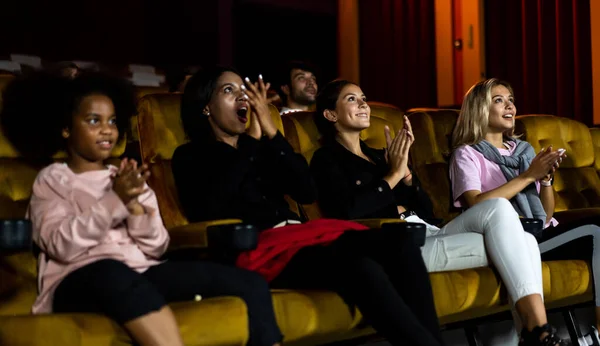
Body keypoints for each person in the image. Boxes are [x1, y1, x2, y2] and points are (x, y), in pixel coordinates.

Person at [0, 71, 282, 346]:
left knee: (249, 283)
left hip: (138, 273)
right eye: (93, 120)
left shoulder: (126, 177)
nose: (107, 129)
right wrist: (114, 202)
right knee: (112, 271)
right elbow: (60, 245)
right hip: (75, 281)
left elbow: (158, 247)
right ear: (65, 128)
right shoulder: (53, 180)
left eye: (112, 120)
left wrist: (135, 209)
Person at [172, 66, 445, 346]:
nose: (243, 97)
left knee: (400, 241)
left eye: (244, 90)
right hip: (260, 249)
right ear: (206, 107)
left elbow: (305, 190)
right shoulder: (190, 155)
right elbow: (214, 205)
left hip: (300, 237)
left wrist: (270, 132)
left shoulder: (264, 150)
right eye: (229, 90)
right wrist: (252, 142)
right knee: (360, 267)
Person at [310, 79, 567, 346]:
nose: (363, 103)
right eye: (351, 99)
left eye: (363, 97)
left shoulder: (380, 156)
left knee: (524, 239)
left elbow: (425, 210)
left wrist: (407, 176)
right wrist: (392, 176)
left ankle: (533, 334)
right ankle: (538, 330)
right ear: (331, 114)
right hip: (397, 247)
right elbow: (346, 211)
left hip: (429, 232)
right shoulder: (326, 159)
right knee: (503, 213)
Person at [450, 77, 600, 344]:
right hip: (512, 238)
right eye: (499, 100)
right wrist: (530, 175)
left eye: (511, 100)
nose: (510, 106)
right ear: (480, 109)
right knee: (597, 229)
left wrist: (546, 179)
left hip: (542, 231)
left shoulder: (522, 151)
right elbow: (476, 204)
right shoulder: (467, 154)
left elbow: (546, 215)